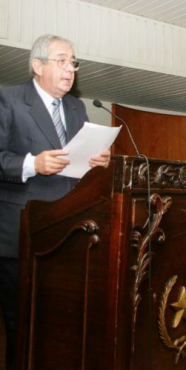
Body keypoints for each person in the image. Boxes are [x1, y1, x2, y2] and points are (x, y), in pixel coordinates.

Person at [0, 34, 110, 370]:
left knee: (60, 319)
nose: (70, 68)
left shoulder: (77, 107)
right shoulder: (8, 99)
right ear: (37, 66)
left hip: (67, 232)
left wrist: (94, 163)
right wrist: (33, 163)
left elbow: (74, 163)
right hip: (22, 232)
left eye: (73, 62)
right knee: (22, 321)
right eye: (62, 60)